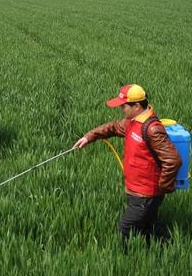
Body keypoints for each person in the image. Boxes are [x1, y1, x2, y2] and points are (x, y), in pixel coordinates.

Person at [73, 84, 181, 249]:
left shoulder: (151, 129)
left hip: (145, 193)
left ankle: (121, 260)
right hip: (136, 190)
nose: (121, 109)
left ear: (137, 106)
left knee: (124, 230)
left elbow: (172, 160)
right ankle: (169, 250)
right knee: (149, 226)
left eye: (123, 106)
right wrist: (89, 137)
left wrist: (163, 187)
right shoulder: (132, 122)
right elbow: (114, 127)